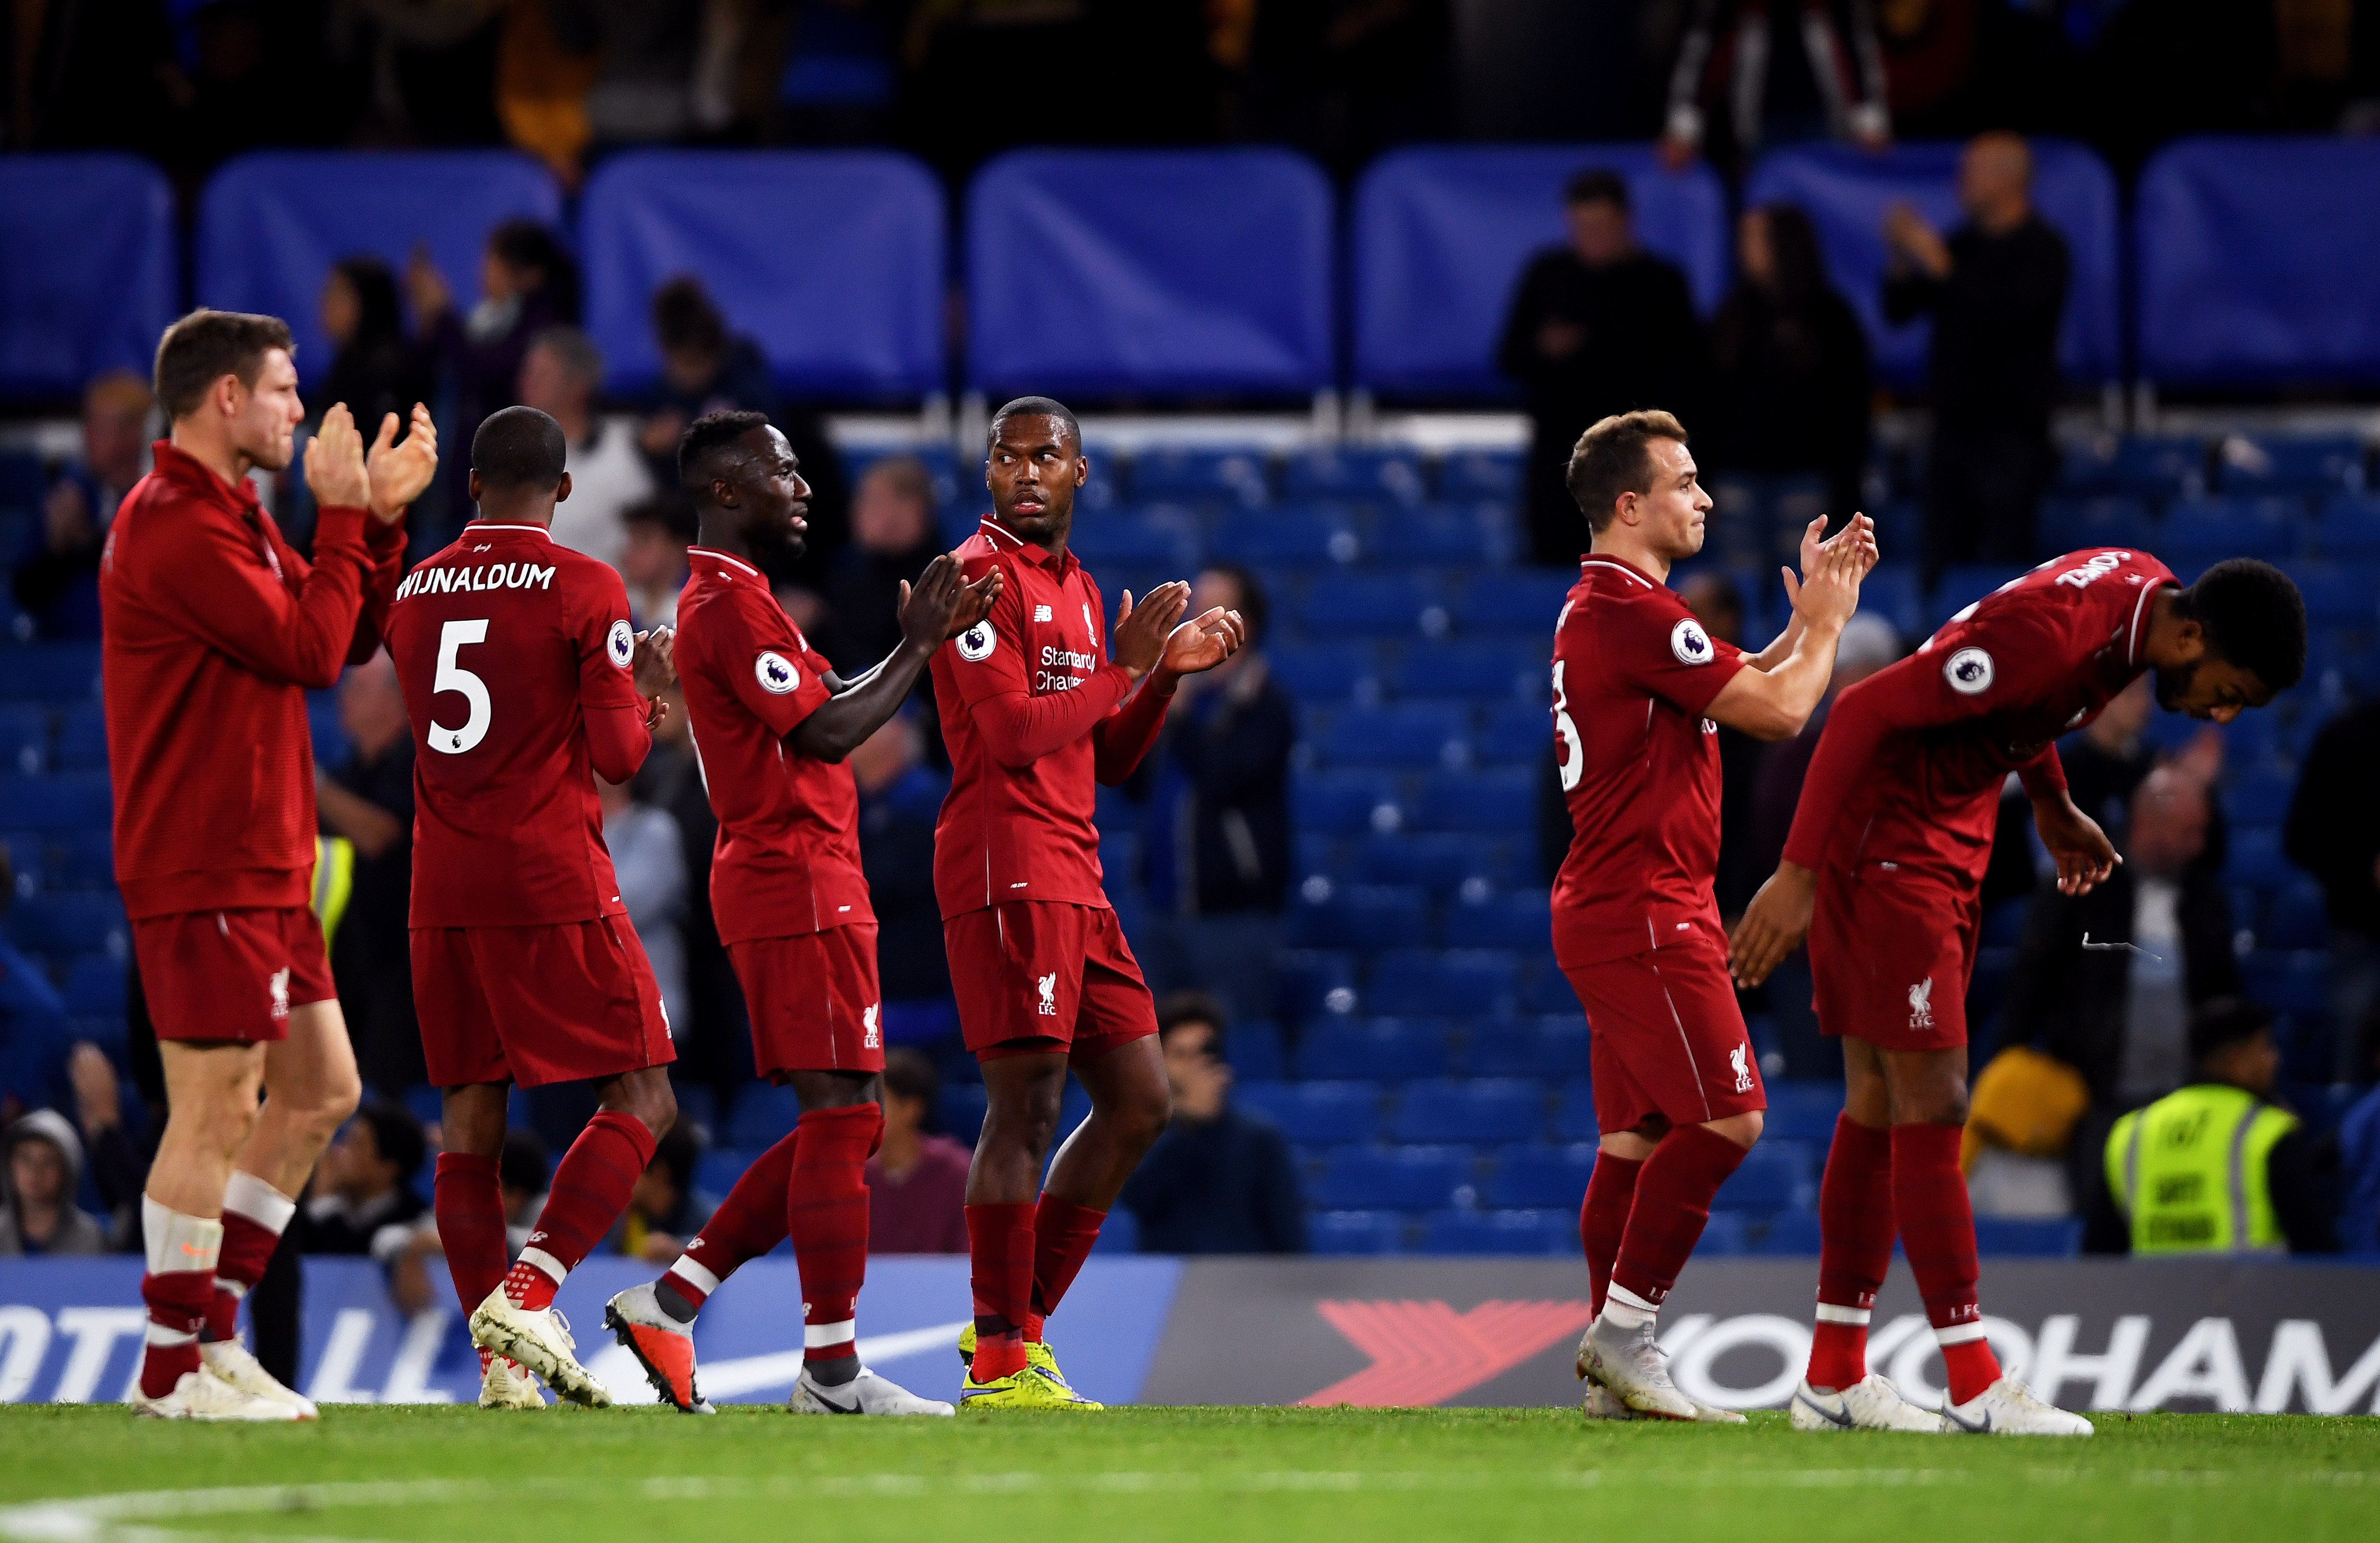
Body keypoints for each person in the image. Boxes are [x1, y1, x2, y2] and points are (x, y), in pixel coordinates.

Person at [1731, 552, 2308, 1435]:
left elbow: (2017, 702)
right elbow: (1864, 707)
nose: (2221, 712)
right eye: (2229, 689)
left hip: (1944, 830)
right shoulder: (2062, 636)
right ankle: (1973, 1382)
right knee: (1935, 1099)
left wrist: (2048, 799)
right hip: (1895, 838)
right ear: (2192, 636)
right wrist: (1795, 876)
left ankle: (1834, 1374)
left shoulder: (2136, 599)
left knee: (1879, 1104)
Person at [602, 408, 991, 1418]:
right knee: (843, 1117)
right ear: (728, 492)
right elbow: (826, 729)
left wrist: (915, 652)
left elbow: (828, 705)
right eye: (783, 470)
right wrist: (918, 648)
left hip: (808, 874)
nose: (805, 484)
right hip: (790, 877)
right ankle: (827, 1370)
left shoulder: (746, 603)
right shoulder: (723, 609)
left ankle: (675, 1300)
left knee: (845, 1120)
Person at [103, 310, 435, 1421]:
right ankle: (170, 1369)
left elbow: (340, 635)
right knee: (213, 1106)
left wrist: (378, 527)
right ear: (226, 398)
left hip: (267, 860)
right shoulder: (170, 524)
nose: (303, 409)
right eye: (287, 390)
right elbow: (302, 648)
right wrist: (341, 515)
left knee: (319, 1091)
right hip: (204, 859)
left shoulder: (235, 515)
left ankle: (217, 1334)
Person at [1551, 409, 1870, 1424]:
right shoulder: (1636, 614)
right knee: (1728, 1118)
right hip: (1645, 905)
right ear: (1630, 504)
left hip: (1617, 900)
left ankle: (1615, 1373)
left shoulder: (1609, 609)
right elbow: (1780, 713)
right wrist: (1824, 628)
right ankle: (1623, 1336)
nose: (1707, 498)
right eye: (1685, 483)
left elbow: (1741, 683)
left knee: (1637, 1139)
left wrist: (1805, 624)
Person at [934, 397, 1245, 1410]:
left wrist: (1154, 683)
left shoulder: (1075, 586)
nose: (1024, 474)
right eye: (1006, 458)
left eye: (1046, 458)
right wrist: (1124, 668)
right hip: (1006, 863)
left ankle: (1013, 1338)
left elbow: (1103, 757)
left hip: (1077, 869)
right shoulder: (975, 579)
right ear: (988, 475)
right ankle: (999, 1359)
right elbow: (1019, 734)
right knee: (1023, 1106)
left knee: (1142, 1099)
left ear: (1079, 474)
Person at [385, 404, 679, 1412]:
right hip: (547, 878)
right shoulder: (585, 584)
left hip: (440, 891)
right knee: (644, 1098)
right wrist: (646, 692)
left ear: (469, 484)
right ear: (560, 492)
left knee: (467, 1124)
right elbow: (619, 758)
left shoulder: (414, 589)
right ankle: (529, 1290)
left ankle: (501, 1373)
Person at [1881, 133, 2070, 585]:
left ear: (2007, 182)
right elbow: (1900, 309)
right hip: (1951, 432)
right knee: (1941, 563)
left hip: (2012, 438)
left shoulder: (2044, 251)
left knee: (2001, 570)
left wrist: (1938, 263)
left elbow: (2003, 316)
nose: (1960, 182)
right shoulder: (1962, 244)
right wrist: (1902, 257)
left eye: (1971, 172)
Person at [1499, 172, 1709, 569]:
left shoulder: (1660, 284)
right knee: (1559, 567)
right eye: (1580, 226)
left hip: (1638, 461)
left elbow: (1689, 374)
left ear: (1624, 221)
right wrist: (1545, 348)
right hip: (1560, 458)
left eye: (1599, 226)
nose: (1589, 236)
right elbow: (1509, 356)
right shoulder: (1548, 275)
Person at [2002, 767, 2241, 1111]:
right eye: (2188, 832)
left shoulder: (2205, 901)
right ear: (2147, 824)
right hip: (2092, 1095)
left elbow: (2222, 993)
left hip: (2184, 1101)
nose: (2199, 845)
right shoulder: (2080, 887)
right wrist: (2007, 1066)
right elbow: (2032, 983)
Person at [1129, 564, 1295, 1023]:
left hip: (1234, 921)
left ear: (1246, 625)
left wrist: (1177, 718)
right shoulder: (1179, 696)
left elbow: (1226, 780)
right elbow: (1132, 785)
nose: (1195, 622)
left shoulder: (1263, 705)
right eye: (1192, 610)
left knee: (1231, 1052)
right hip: (1165, 912)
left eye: (1211, 610)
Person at [2103, 999, 2338, 1255]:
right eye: (2266, 1048)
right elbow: (2318, 1256)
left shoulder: (2130, 1132)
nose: (2275, 1060)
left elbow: (2098, 1260)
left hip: (2153, 1294)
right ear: (2239, 1060)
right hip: (2250, 1294)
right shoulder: (2268, 1131)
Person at [1707, 204, 1872, 526]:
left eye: (1755, 238)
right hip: (1738, 473)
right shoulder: (1733, 315)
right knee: (1738, 573)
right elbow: (1712, 396)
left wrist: (1844, 479)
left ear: (1784, 243)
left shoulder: (1830, 317)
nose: (1744, 249)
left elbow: (1850, 403)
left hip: (1807, 473)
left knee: (1802, 571)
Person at [1118, 992, 1305, 1254]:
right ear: (1161, 1062)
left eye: (1204, 1052)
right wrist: (1189, 1127)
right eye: (1181, 1054)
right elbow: (1140, 1200)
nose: (1194, 1065)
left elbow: (1289, 1236)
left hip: (1246, 1287)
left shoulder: (1261, 1140)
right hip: (1171, 1287)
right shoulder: (1144, 1136)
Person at [314, 651, 423, 1095]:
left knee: (390, 1093)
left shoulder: (416, 761)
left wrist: (311, 785)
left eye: (357, 688)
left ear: (394, 702)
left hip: (407, 968)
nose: (343, 698)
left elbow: (380, 833)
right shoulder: (351, 772)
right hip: (353, 963)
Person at [1660, 0, 1891, 173]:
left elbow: (1859, 41)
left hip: (1826, 121)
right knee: (1766, 214)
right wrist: (1684, 127)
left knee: (1829, 211)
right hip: (1756, 127)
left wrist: (1870, 117)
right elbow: (1702, 47)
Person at [13, 371, 153, 640]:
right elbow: (25, 592)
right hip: (58, 659)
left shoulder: (156, 501)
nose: (87, 437)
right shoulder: (68, 497)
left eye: (99, 426)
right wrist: (57, 551)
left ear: (133, 435)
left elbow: (148, 584)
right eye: (86, 424)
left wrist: (85, 540)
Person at [2284, 698, 2380, 1083]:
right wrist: (2366, 867)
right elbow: (2301, 838)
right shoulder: (2348, 736)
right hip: (2360, 935)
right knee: (2351, 1056)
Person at [517, 326, 654, 567]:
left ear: (578, 386)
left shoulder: (629, 444)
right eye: (527, 373)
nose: (527, 384)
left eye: (542, 375)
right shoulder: (509, 457)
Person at [851, 712, 955, 1018]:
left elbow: (877, 884)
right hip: (877, 998)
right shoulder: (861, 806)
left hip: (924, 1001)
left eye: (858, 728)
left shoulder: (930, 804)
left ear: (898, 731)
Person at [1678, 572, 1765, 924]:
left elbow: (1757, 821)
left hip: (1745, 913)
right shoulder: (1663, 698)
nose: (1681, 624)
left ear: (1729, 619)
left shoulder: (1764, 707)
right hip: (1676, 908)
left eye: (1694, 611)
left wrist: (1738, 907)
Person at [823, 454, 943, 670]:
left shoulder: (939, 585)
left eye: (872, 500)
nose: (857, 510)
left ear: (911, 509)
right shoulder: (848, 573)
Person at [597, 776, 689, 1038]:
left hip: (653, 1007)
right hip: (589, 1014)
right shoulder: (566, 835)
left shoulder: (654, 828)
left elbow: (630, 905)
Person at [316, 257, 433, 449]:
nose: (326, 304)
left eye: (339, 295)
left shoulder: (389, 372)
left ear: (368, 303)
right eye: (328, 292)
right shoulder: (346, 363)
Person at [294, 1100, 427, 1261]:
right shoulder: (304, 1206)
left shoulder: (415, 1222)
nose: (338, 1151)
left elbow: (347, 1270)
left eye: (356, 1145)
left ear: (387, 1169)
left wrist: (325, 1199)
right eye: (344, 1140)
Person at [867, 1048, 971, 1254]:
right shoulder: (857, 1176)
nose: (866, 1111)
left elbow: (967, 1257)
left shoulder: (955, 1171)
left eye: (878, 1102)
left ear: (911, 1108)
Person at [0, 1109, 109, 1256]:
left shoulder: (88, 1236)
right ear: (10, 1164)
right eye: (26, 1159)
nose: (36, 1172)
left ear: (68, 1170)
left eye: (49, 1162)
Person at [614, 1124, 713, 1265]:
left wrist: (679, 1251)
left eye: (632, 1166)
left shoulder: (712, 1222)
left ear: (659, 1174)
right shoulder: (618, 1216)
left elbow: (732, 1252)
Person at [621, 494, 697, 628]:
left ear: (678, 548)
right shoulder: (625, 603)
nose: (629, 552)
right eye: (631, 539)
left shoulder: (698, 609)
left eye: (644, 539)